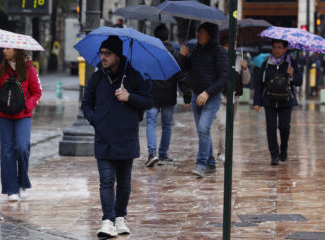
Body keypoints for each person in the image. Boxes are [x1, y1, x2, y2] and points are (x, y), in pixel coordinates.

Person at [81, 35, 152, 238]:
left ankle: (120, 217)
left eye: (107, 53)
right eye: (101, 53)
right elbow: (86, 103)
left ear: (118, 56)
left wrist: (129, 97)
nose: (103, 57)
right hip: (103, 137)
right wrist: (96, 120)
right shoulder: (96, 77)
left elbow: (148, 101)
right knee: (106, 180)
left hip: (126, 137)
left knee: (124, 182)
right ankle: (107, 220)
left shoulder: (134, 77)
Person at [0, 48, 42, 202]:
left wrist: (27, 107)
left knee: (22, 147)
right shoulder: (0, 69)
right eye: (3, 48)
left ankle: (23, 183)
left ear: (17, 50)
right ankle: (11, 189)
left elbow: (37, 93)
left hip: (23, 115)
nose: (4, 51)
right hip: (4, 114)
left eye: (8, 48)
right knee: (7, 151)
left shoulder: (29, 70)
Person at [179, 22, 228, 177]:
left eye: (203, 32)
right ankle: (211, 164)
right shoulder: (197, 50)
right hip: (196, 96)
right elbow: (187, 69)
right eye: (198, 32)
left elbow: (224, 78)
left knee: (203, 129)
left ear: (211, 35)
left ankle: (200, 164)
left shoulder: (219, 52)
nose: (199, 35)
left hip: (211, 97)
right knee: (203, 132)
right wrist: (183, 56)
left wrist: (207, 92)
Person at [144, 24, 191, 167]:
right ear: (168, 37)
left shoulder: (150, 53)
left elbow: (143, 74)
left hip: (151, 94)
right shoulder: (175, 54)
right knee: (167, 125)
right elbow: (181, 76)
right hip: (169, 94)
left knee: (151, 123)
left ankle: (152, 154)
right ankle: (163, 154)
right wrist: (187, 95)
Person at [253, 39, 302, 165]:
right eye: (274, 47)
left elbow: (299, 81)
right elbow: (259, 84)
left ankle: (283, 150)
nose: (276, 50)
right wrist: (257, 101)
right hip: (269, 100)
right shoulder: (266, 63)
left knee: (284, 127)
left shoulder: (291, 63)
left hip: (286, 101)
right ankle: (274, 155)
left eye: (279, 47)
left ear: (285, 49)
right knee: (271, 128)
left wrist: (292, 75)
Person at [216, 35, 251, 162]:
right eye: (225, 46)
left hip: (234, 99)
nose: (228, 48)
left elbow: (246, 80)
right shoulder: (218, 59)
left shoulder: (238, 59)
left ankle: (222, 151)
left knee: (229, 126)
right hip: (219, 98)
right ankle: (224, 153)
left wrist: (245, 69)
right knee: (223, 124)